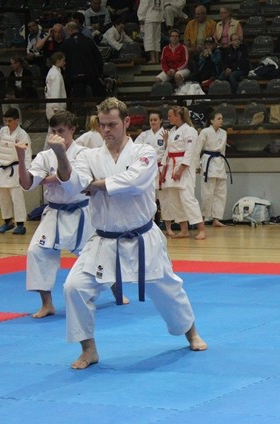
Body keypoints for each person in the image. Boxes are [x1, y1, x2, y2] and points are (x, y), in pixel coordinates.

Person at [47, 97, 206, 369]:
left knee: (168, 289)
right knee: (74, 287)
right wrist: (62, 155)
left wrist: (95, 185)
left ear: (126, 122)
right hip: (104, 239)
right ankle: (89, 350)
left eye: (112, 124)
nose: (106, 130)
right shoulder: (88, 156)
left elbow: (134, 182)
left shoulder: (144, 151)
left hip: (142, 237)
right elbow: (74, 184)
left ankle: (191, 332)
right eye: (102, 125)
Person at [15, 111, 124, 318]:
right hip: (54, 213)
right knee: (37, 252)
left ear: (72, 130)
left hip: (81, 212)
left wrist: (50, 177)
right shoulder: (45, 156)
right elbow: (27, 184)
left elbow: (73, 179)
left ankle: (117, 291)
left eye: (61, 131)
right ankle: (47, 304)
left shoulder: (84, 154)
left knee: (98, 256)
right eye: (53, 131)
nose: (56, 135)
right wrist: (21, 157)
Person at [160, 105, 206, 240]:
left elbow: (190, 152)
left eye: (170, 116)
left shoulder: (190, 130)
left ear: (178, 116)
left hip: (184, 168)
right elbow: (167, 151)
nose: (168, 118)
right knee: (174, 200)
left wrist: (181, 169)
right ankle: (184, 230)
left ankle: (201, 229)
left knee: (188, 199)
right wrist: (163, 169)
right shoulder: (172, 131)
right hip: (171, 167)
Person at [0, 108, 31, 235]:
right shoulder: (2, 131)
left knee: (17, 198)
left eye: (10, 121)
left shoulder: (22, 134)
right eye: (6, 121)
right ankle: (8, 222)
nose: (7, 123)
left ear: (17, 120)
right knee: (3, 198)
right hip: (2, 168)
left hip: (16, 169)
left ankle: (20, 224)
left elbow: (27, 153)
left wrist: (27, 171)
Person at [196, 111, 229, 227]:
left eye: (222, 119)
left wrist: (223, 164)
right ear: (211, 120)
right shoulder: (205, 132)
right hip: (208, 163)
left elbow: (223, 150)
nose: (221, 121)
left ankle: (216, 219)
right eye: (219, 118)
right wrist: (197, 165)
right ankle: (203, 218)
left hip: (219, 163)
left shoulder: (224, 133)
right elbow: (197, 149)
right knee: (207, 194)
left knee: (221, 193)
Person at [61, 21, 105, 99]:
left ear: (68, 30)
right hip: (91, 74)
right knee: (100, 95)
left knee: (78, 99)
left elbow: (63, 61)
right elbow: (98, 58)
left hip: (74, 76)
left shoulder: (66, 43)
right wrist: (99, 73)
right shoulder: (88, 41)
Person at [138, 0, 163, 64]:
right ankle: (157, 59)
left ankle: (153, 59)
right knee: (157, 39)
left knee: (149, 38)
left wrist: (141, 17)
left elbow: (144, 5)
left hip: (149, 18)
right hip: (158, 17)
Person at [45, 52, 67, 121]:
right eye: (63, 60)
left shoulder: (53, 72)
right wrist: (56, 108)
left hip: (53, 108)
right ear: (58, 61)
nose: (65, 62)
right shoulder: (55, 74)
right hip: (56, 110)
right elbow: (55, 91)